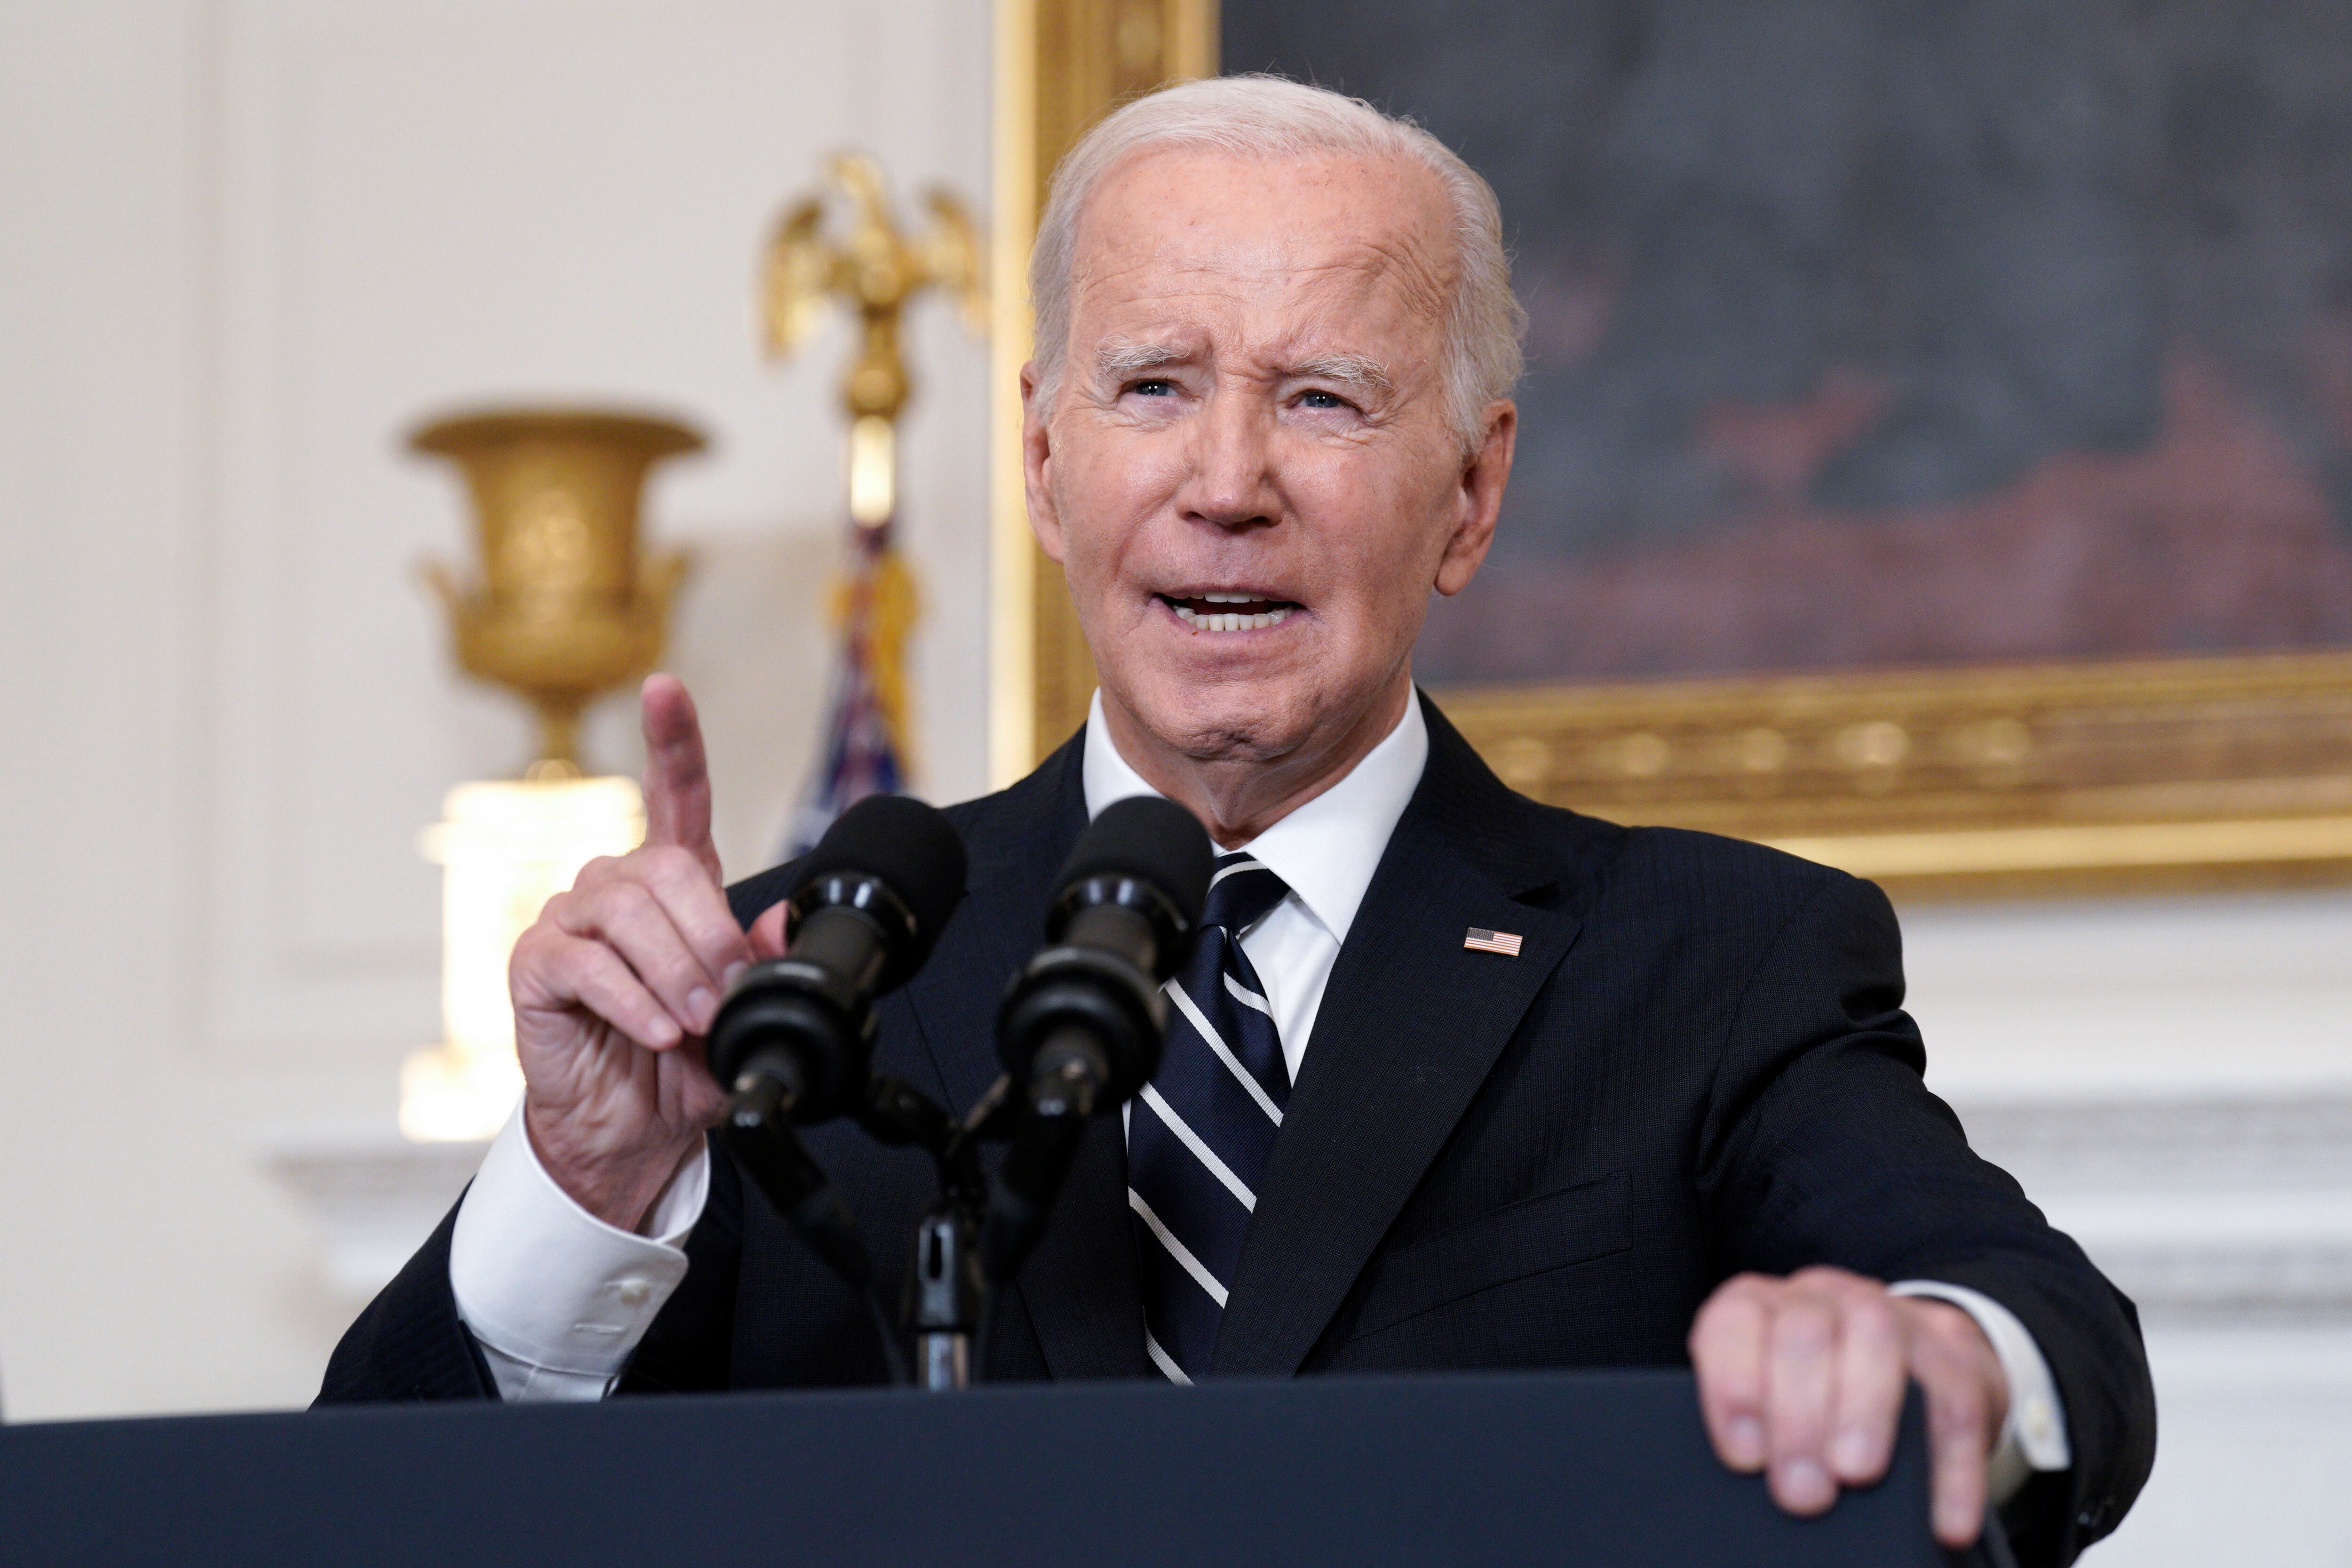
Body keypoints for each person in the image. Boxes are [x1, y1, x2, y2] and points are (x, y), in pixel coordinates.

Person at [320, 75, 2152, 1565]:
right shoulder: (792, 982)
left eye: (1322, 400)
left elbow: (2041, 1326)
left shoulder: (1713, 963)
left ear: (1470, 493)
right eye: (1153, 387)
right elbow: (374, 1519)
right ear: (1045, 463)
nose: (1226, 484)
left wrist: (1935, 1353)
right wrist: (580, 1188)